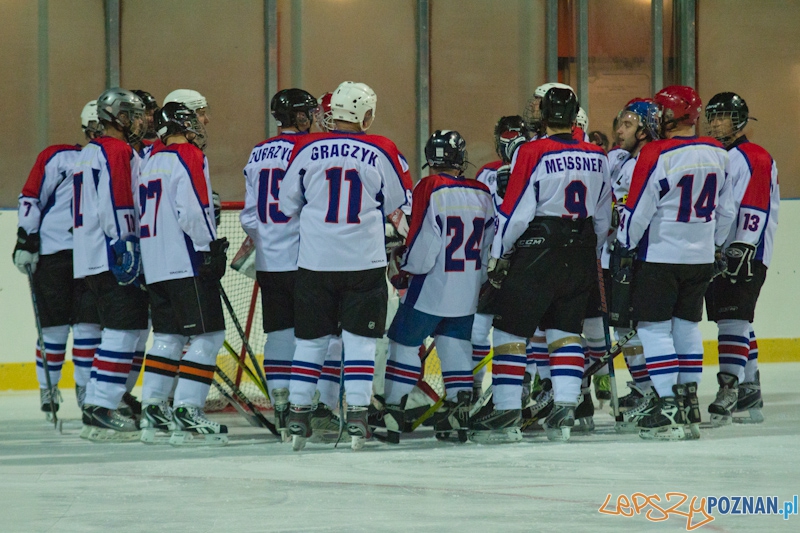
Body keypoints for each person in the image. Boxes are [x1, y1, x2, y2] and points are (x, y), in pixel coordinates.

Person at [470, 87, 611, 444]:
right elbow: (604, 214)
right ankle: (565, 408)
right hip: (581, 248)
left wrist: (500, 254)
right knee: (565, 329)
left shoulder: (531, 151)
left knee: (509, 330)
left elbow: (516, 211)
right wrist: (592, 250)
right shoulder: (597, 155)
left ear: (544, 116)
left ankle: (506, 408)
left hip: (539, 247)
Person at [279, 81, 413, 451]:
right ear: (365, 115)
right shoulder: (382, 148)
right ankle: (356, 414)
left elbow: (287, 202)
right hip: (363, 263)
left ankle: (298, 414)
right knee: (360, 342)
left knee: (309, 343)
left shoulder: (306, 149)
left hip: (314, 262)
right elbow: (399, 204)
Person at [615, 85, 735, 441]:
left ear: (670, 115)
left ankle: (666, 404)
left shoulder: (656, 152)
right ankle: (689, 403)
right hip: (699, 257)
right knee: (686, 326)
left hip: (661, 254)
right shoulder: (719, 152)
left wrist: (625, 243)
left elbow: (639, 208)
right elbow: (726, 210)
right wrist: (713, 245)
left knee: (653, 329)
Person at [382, 130, 494, 443]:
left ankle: (392, 413)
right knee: (455, 347)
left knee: (403, 343)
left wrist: (407, 270)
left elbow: (424, 239)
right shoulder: (483, 192)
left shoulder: (430, 186)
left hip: (430, 287)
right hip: (467, 288)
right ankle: (458, 416)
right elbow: (488, 247)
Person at [241, 88, 335, 440]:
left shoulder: (258, 151)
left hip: (269, 259)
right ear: (299, 117)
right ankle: (318, 407)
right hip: (306, 259)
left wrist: (269, 238)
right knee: (321, 333)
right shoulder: (309, 148)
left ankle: (281, 404)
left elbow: (250, 216)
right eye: (309, 112)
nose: (313, 118)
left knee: (278, 330)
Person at [136, 102, 229, 444]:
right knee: (208, 337)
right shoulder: (187, 155)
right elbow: (192, 209)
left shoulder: (149, 162)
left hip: (156, 264)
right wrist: (210, 247)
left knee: (167, 338)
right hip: (185, 260)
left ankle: (153, 411)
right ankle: (188, 411)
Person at [13, 100, 104, 419]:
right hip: (55, 253)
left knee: (88, 326)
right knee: (54, 328)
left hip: (92, 255)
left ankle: (85, 389)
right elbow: (31, 196)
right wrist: (26, 237)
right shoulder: (59, 156)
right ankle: (48, 387)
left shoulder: (117, 158)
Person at [73, 88, 150, 441]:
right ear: (118, 117)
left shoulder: (88, 152)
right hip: (110, 254)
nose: (137, 122)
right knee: (122, 331)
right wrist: (127, 243)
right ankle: (100, 405)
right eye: (132, 116)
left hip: (88, 256)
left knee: (121, 330)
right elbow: (116, 200)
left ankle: (105, 399)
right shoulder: (117, 150)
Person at [704, 92, 779, 426]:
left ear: (740, 120)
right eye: (713, 116)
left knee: (732, 319)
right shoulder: (720, 155)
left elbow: (755, 207)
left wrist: (741, 247)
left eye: (724, 116)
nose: (718, 122)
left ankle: (729, 388)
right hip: (723, 250)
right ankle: (750, 386)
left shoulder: (755, 156)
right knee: (735, 319)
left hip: (744, 252)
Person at [606, 98, 660, 432]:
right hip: (622, 253)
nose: (619, 130)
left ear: (644, 129)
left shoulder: (652, 160)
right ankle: (644, 386)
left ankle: (657, 389)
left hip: (646, 256)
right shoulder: (624, 161)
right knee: (624, 325)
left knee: (649, 327)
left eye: (627, 124)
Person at [471, 116, 529, 398]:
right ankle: (473, 388)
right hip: (495, 260)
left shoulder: (533, 165)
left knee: (521, 331)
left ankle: (524, 387)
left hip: (521, 259)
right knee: (479, 330)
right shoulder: (486, 173)